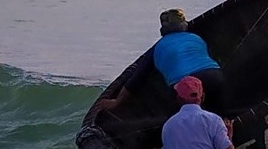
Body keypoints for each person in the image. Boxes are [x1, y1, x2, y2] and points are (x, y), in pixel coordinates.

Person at [97, 8, 227, 115]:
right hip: (214, 76)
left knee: (179, 118)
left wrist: (116, 102)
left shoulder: (157, 48)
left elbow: (136, 79)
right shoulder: (195, 38)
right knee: (221, 114)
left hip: (182, 84)